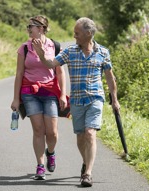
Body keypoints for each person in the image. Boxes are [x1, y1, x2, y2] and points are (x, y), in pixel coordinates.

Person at [32, 17, 120, 187]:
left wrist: (114, 99)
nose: (74, 36)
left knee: (90, 133)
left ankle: (88, 173)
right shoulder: (70, 52)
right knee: (80, 136)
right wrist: (42, 55)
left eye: (77, 33)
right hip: (77, 101)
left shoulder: (103, 52)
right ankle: (86, 162)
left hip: (95, 98)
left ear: (88, 34)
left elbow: (110, 77)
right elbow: (51, 64)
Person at [10, 15, 67, 180]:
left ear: (41, 28)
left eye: (31, 27)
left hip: (49, 92)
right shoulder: (24, 48)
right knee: (38, 130)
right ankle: (40, 165)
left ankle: (51, 152)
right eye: (28, 27)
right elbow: (19, 73)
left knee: (53, 132)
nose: (28, 30)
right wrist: (15, 98)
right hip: (29, 92)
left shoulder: (54, 46)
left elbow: (59, 72)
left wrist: (62, 94)